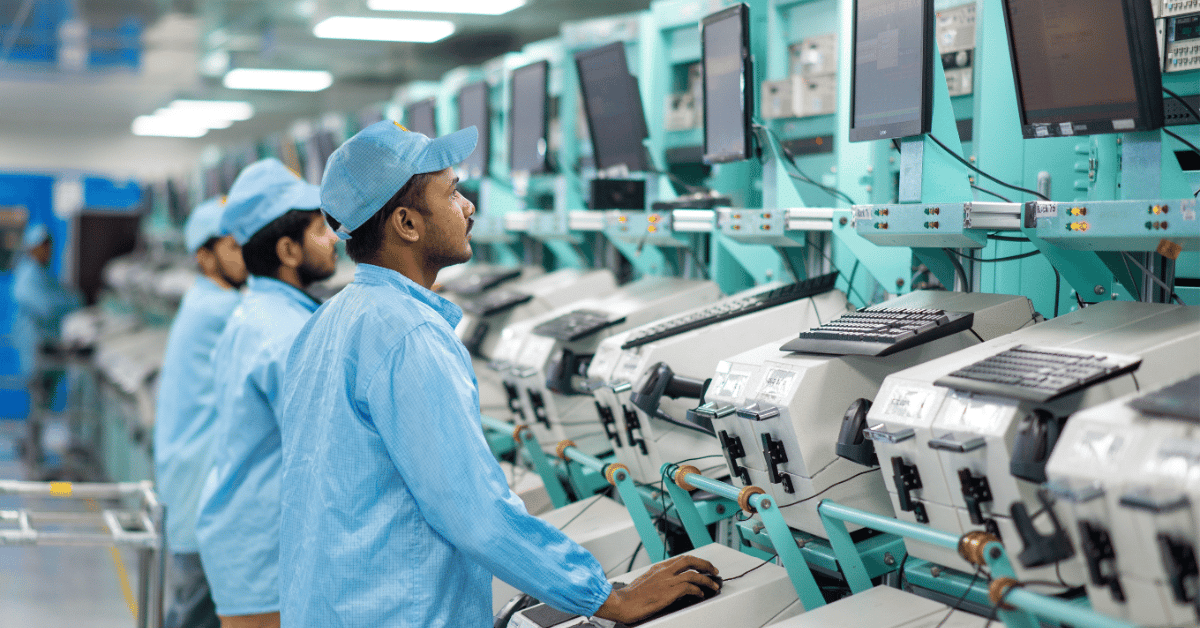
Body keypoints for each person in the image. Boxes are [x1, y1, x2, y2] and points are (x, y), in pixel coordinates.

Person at [277, 121, 720, 628]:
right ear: (406, 223)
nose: (468, 207)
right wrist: (605, 597)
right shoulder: (410, 335)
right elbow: (474, 514)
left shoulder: (328, 322)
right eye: (452, 193)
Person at [195, 160, 337, 628]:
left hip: (245, 539)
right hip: (264, 554)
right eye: (320, 230)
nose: (334, 239)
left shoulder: (257, 313)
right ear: (288, 250)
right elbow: (322, 453)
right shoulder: (284, 334)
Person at [154, 197, 248, 628]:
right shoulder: (221, 309)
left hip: (190, 483)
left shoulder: (204, 300)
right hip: (199, 491)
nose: (245, 254)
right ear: (205, 257)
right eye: (233, 246)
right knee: (195, 612)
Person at [11, 223, 81, 475]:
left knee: (41, 406)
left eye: (49, 246)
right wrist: (72, 301)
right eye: (42, 247)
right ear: (32, 249)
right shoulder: (28, 276)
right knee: (38, 404)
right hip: (35, 351)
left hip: (47, 350)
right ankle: (33, 460)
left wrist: (71, 300)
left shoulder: (42, 274)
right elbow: (48, 306)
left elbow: (64, 299)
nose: (47, 251)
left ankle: (34, 454)